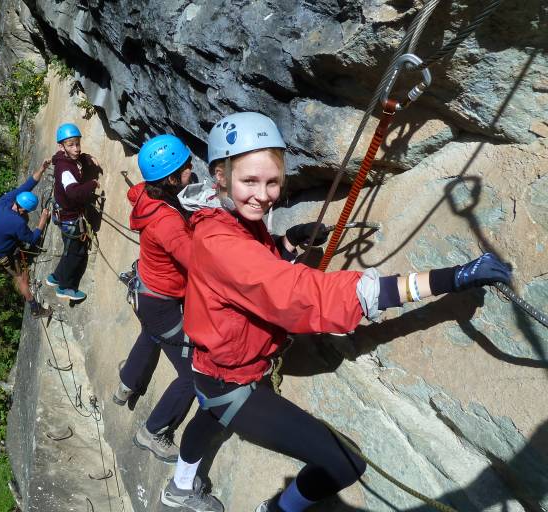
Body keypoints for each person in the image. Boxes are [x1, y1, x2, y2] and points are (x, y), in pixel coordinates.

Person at [159, 112, 512, 512]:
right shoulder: (222, 242)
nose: (263, 194)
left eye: (273, 181)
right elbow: (305, 297)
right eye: (250, 182)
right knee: (346, 464)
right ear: (220, 177)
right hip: (231, 380)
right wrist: (446, 278)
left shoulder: (221, 217)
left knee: (209, 416)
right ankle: (276, 510)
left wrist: (287, 245)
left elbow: (252, 263)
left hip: (214, 369)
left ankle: (180, 485)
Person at [112, 134, 197, 464]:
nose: (192, 168)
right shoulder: (167, 223)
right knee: (193, 374)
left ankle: (126, 385)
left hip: (146, 292)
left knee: (151, 334)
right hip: (161, 302)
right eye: (185, 167)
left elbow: (135, 190)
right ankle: (153, 432)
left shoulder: (147, 194)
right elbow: (198, 264)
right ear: (171, 178)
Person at [0, 160, 52, 318]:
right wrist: (43, 220)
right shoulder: (18, 223)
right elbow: (33, 239)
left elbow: (27, 186)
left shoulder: (6, 201)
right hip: (0, 253)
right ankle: (35, 307)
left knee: (14, 238)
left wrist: (42, 168)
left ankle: (13, 245)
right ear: (22, 210)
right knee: (22, 278)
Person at [45, 123, 101, 301]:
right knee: (76, 253)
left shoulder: (65, 159)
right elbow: (74, 192)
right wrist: (92, 184)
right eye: (71, 145)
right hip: (70, 219)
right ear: (61, 146)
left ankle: (55, 277)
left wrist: (86, 157)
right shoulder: (65, 169)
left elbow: (75, 159)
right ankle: (65, 287)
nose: (76, 148)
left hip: (65, 215)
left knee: (69, 249)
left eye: (78, 143)